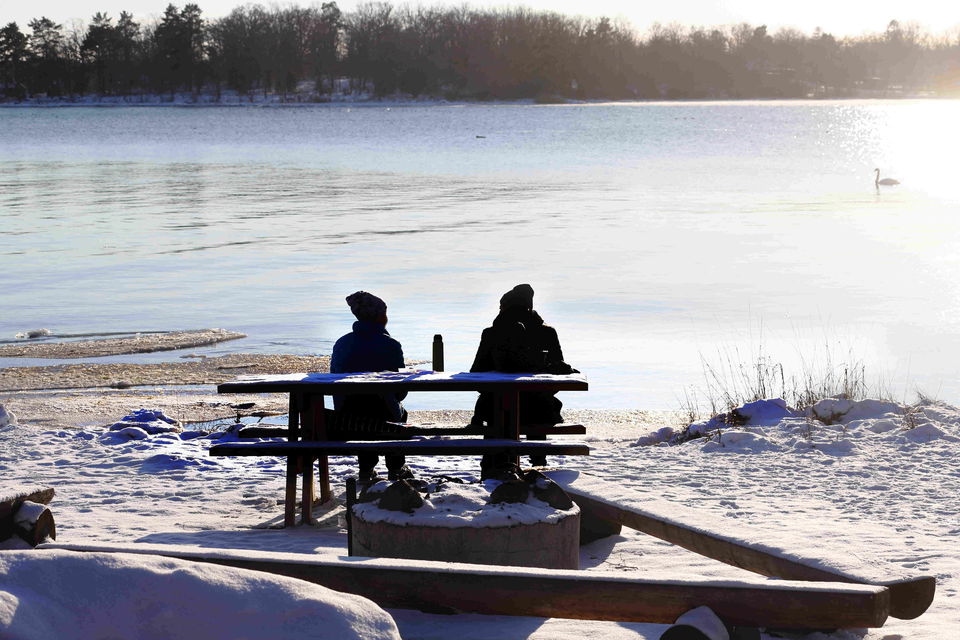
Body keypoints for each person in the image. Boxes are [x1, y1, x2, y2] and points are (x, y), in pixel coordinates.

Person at [469, 284, 577, 475]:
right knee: (539, 405)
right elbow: (558, 371)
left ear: (504, 308)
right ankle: (539, 468)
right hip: (540, 409)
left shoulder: (492, 333)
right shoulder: (547, 333)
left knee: (495, 415)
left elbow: (476, 373)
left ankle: (490, 472)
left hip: (495, 409)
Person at [330, 291, 412, 483]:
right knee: (396, 414)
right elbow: (400, 392)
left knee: (362, 409)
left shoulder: (342, 343)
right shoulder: (390, 345)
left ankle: (366, 469)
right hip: (382, 415)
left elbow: (334, 380)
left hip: (347, 417)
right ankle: (396, 468)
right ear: (379, 316)